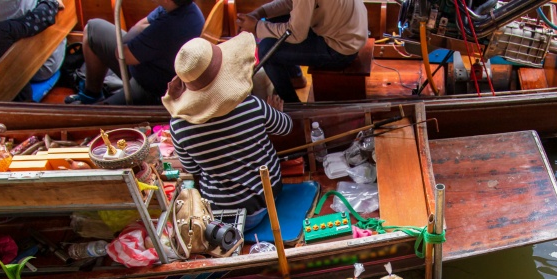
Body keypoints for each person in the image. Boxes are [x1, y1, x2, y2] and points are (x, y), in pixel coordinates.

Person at [163, 34, 293, 230]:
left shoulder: (178, 126)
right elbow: (286, 127)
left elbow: (194, 170)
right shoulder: (251, 105)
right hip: (267, 201)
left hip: (223, 214)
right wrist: (275, 112)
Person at [66, 0, 204, 105]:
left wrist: (134, 38)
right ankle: (91, 94)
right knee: (92, 29)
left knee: (96, 117)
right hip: (144, 64)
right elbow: (142, 25)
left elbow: (122, 55)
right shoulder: (183, 8)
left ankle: (98, 103)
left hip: (151, 90)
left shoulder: (168, 27)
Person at [236, 0, 368, 103]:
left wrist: (256, 26)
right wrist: (260, 13)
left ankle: (292, 104)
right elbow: (291, 3)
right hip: (350, 34)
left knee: (267, 50)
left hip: (341, 49)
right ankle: (296, 78)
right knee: (274, 19)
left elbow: (296, 34)